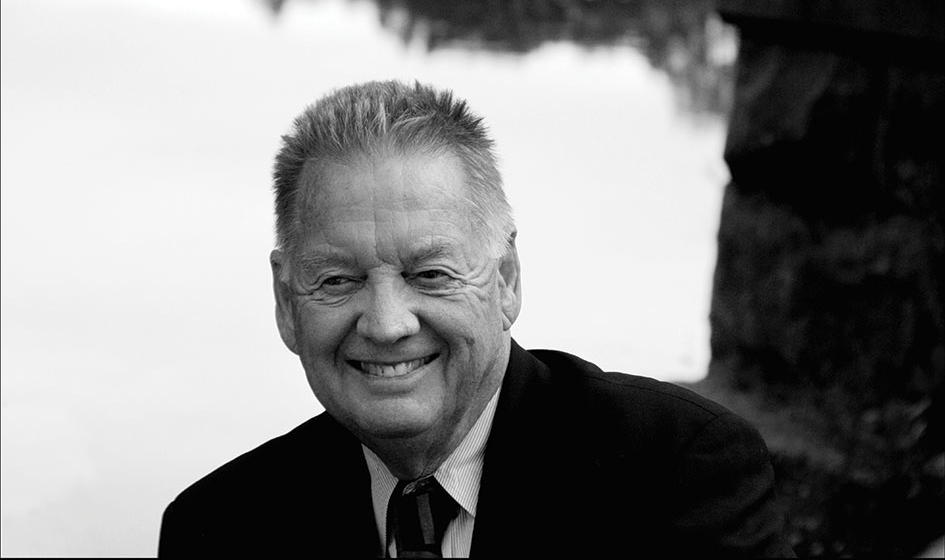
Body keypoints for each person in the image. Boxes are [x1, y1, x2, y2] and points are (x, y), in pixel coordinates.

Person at [158, 80, 794, 557]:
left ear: (506, 279)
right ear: (285, 302)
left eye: (430, 274)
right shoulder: (217, 529)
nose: (386, 324)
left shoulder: (677, 473)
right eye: (338, 280)